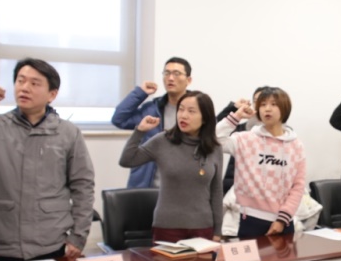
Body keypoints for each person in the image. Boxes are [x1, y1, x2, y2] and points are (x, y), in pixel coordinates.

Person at [0, 58, 95, 261]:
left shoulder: (68, 133)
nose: (24, 88)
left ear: (52, 95)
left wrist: (78, 236)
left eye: (34, 83)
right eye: (20, 81)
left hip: (50, 242)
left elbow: (83, 186)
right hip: (0, 244)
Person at [119, 90, 223, 243]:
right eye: (181, 109)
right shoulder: (163, 140)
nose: (183, 115)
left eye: (191, 111)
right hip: (167, 227)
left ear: (205, 118)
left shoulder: (214, 148)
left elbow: (216, 190)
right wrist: (139, 131)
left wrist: (218, 231)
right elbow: (127, 160)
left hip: (203, 227)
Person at [217, 87, 307, 239]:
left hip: (284, 222)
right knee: (251, 256)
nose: (267, 109)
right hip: (250, 219)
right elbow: (215, 140)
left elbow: (298, 186)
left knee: (284, 257)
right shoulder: (245, 139)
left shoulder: (296, 146)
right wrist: (237, 115)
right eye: (263, 104)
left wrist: (282, 219)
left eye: (273, 104)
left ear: (284, 108)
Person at [111, 57, 192, 188]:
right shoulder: (151, 109)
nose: (170, 78)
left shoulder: (197, 111)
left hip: (181, 189)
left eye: (176, 73)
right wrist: (140, 93)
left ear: (188, 80)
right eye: (167, 73)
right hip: (148, 186)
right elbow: (119, 119)